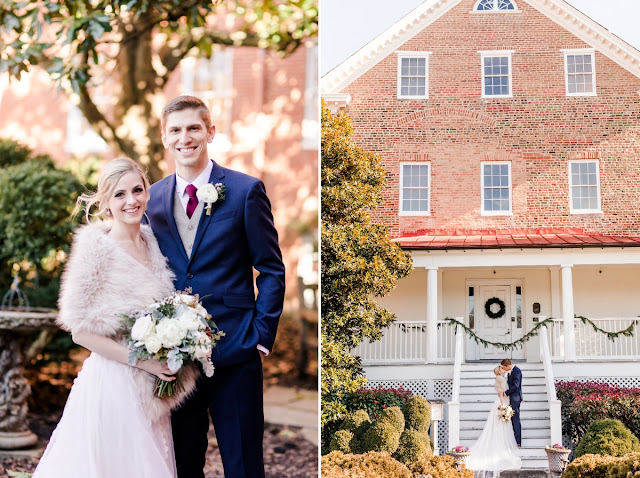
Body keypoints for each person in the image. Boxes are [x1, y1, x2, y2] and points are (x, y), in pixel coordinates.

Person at [146, 95, 285, 478]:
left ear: (210, 131)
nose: (184, 137)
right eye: (175, 129)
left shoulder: (244, 191)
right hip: (176, 361)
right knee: (183, 464)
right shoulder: (152, 198)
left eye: (193, 127)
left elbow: (271, 269)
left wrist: (260, 337)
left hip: (236, 350)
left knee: (243, 465)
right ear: (164, 137)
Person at [33, 158, 198, 478]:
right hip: (112, 383)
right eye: (120, 194)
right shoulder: (97, 249)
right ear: (106, 201)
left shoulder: (153, 243)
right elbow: (79, 331)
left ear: (148, 193)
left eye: (137, 190)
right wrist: (144, 362)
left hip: (151, 388)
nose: (131, 200)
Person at [465, 365, 522, 478]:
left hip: (504, 401)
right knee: (500, 425)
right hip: (501, 402)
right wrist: (503, 407)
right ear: (499, 371)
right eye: (501, 369)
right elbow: (501, 392)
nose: (503, 370)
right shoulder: (500, 378)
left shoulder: (502, 377)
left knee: (502, 425)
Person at [502, 358, 523, 447]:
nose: (504, 369)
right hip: (511, 398)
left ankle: (518, 441)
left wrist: (506, 393)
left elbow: (516, 386)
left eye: (504, 367)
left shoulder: (517, 371)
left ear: (508, 366)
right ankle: (512, 439)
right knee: (511, 419)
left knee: (515, 419)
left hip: (515, 398)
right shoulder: (510, 372)